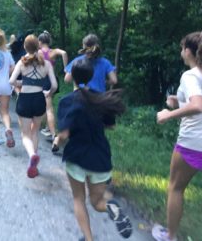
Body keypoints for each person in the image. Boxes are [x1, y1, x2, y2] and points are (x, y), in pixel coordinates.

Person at [53, 58, 132, 241]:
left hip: (77, 156)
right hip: (100, 157)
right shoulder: (102, 98)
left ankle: (89, 239)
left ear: (71, 76)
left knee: (78, 199)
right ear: (92, 76)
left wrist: (58, 142)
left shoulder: (67, 101)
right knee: (97, 202)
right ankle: (113, 207)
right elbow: (111, 126)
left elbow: (63, 134)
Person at [152, 30, 202, 241]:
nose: (181, 52)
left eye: (182, 48)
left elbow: (198, 105)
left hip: (193, 144)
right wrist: (178, 102)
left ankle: (171, 236)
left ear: (189, 51)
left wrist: (168, 114)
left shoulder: (191, 75)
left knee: (176, 188)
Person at [9, 35, 57, 178]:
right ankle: (34, 163)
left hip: (25, 99)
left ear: (25, 47)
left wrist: (22, 84)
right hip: (39, 100)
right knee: (35, 131)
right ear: (38, 46)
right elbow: (54, 85)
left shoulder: (21, 62)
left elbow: (11, 80)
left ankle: (31, 156)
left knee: (25, 134)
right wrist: (48, 93)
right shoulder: (46, 64)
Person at [38, 30, 68, 142]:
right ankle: (46, 128)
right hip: (54, 80)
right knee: (48, 105)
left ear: (40, 41)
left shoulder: (38, 52)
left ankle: (53, 134)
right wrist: (66, 69)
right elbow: (64, 53)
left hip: (44, 80)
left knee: (48, 108)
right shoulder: (54, 52)